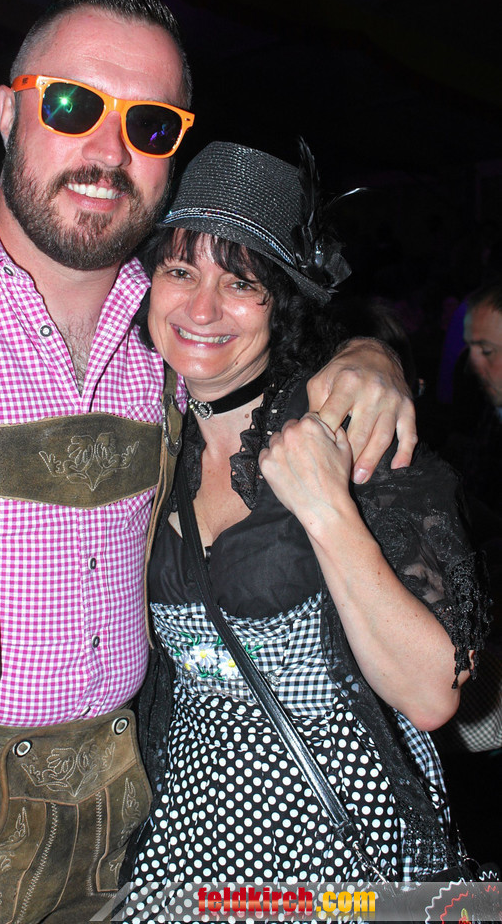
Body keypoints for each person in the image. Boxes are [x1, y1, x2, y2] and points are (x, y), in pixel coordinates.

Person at [0, 0, 418, 924]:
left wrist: (369, 355)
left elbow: (289, 340)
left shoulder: (173, 325)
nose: (108, 151)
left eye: (148, 125)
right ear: (10, 113)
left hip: (127, 808)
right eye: (72, 105)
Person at [120, 141, 490, 922]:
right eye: (180, 271)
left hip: (338, 837)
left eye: (240, 283)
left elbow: (431, 693)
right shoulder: (145, 437)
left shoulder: (353, 430)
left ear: (282, 302)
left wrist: (324, 507)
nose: (201, 309)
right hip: (187, 834)